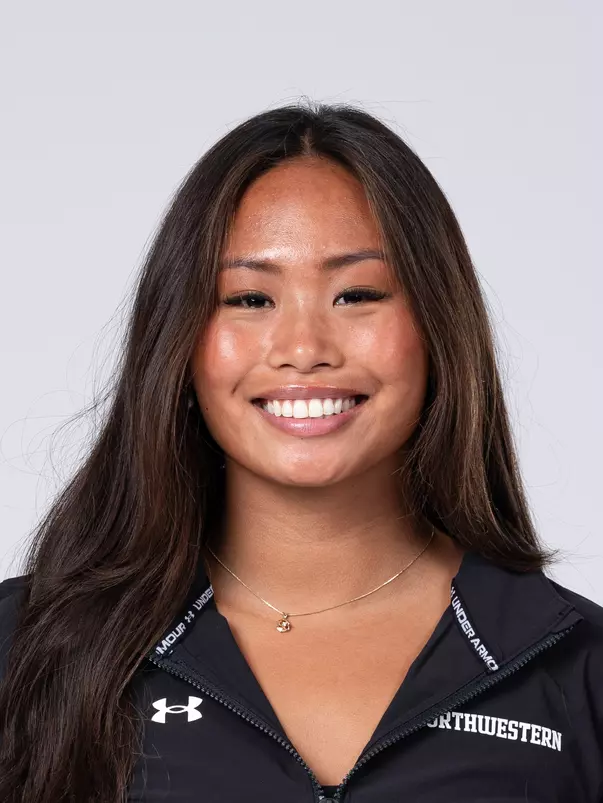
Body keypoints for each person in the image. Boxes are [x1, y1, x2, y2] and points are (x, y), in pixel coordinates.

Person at [0, 101, 601, 803]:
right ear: (180, 340)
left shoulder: (572, 662)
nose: (304, 349)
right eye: (250, 299)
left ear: (438, 324)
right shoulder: (29, 650)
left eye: (356, 294)